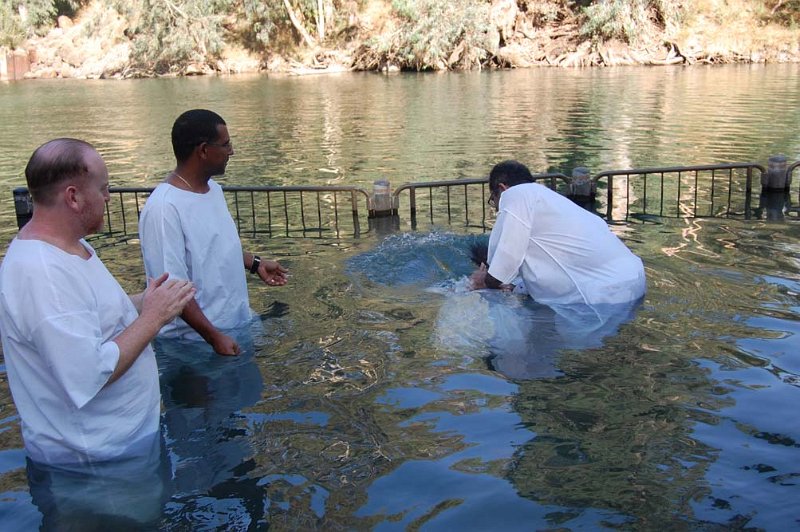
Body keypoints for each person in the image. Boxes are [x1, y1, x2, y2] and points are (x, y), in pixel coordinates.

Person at [0, 138, 195, 468]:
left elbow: (91, 316)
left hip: (124, 444)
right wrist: (153, 317)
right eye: (103, 188)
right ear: (73, 197)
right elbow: (89, 373)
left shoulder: (71, 246)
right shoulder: (43, 274)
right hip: (95, 462)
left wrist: (145, 301)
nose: (108, 197)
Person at [138, 109, 288, 355]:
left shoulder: (214, 190)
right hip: (194, 345)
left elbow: (213, 249)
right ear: (204, 150)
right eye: (226, 144)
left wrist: (255, 263)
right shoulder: (164, 208)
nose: (232, 151)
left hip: (235, 326)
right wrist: (213, 336)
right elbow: (172, 288)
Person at [470, 160, 646, 306]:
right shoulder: (550, 200)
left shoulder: (515, 196)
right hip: (633, 281)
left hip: (601, 297)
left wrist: (485, 281)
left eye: (493, 200)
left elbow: (506, 260)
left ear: (502, 189)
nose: (497, 208)